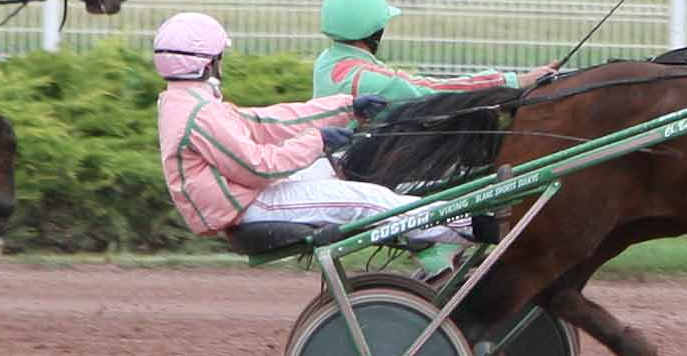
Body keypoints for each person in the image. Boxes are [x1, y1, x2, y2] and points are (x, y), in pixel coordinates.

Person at [153, 13, 459, 252]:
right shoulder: (199, 114)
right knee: (366, 200)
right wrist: (318, 140)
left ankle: (432, 216)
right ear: (207, 62)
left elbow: (267, 122)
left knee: (345, 167)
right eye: (219, 56)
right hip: (250, 204)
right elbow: (259, 167)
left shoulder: (188, 101)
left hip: (245, 196)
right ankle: (472, 226)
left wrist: (346, 108)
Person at [312, 0, 528, 110]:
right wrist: (513, 81)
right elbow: (435, 90)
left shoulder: (325, 62)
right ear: (376, 32)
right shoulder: (372, 81)